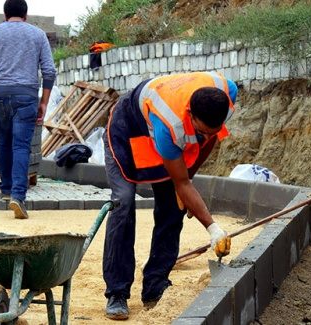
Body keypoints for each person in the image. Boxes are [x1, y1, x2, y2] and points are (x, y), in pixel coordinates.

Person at [102, 71, 238, 320]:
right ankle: (117, 291)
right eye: (202, 130)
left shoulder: (226, 93)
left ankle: (155, 286)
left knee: (172, 207)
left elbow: (201, 152)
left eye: (213, 131)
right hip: (129, 129)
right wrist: (212, 228)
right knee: (122, 202)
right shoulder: (170, 125)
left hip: (158, 128)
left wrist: (187, 192)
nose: (207, 136)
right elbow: (181, 181)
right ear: (191, 115)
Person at [0, 0, 56, 219]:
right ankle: (18, 197)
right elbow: (49, 72)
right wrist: (44, 102)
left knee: (5, 142)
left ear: (5, 14)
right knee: (21, 146)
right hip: (26, 96)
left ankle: (7, 189)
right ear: (26, 15)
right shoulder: (38, 35)